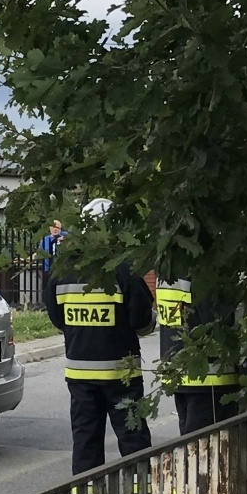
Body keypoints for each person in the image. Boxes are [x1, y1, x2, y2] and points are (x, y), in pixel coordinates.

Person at [44, 199, 155, 474]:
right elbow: (142, 321)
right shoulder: (123, 268)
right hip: (122, 376)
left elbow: (58, 319)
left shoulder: (62, 270)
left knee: (86, 443)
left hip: (80, 376)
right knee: (133, 441)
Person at [156, 278, 240, 434]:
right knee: (209, 449)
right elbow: (222, 321)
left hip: (179, 374)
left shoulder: (166, 265)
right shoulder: (203, 267)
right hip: (209, 377)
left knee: (192, 448)